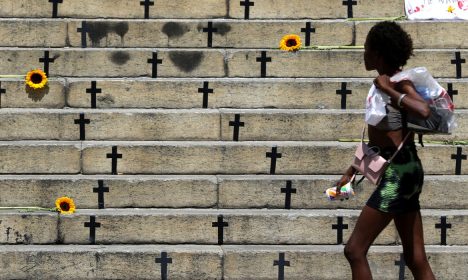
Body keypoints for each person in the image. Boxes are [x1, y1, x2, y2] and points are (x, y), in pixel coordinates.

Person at [336, 21, 436, 280]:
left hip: (400, 174)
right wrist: (352, 170)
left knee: (354, 250)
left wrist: (389, 89)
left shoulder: (400, 82)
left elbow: (424, 110)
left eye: (367, 48)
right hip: (404, 168)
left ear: (379, 52)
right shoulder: (380, 84)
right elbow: (381, 141)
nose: (364, 53)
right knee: (415, 258)